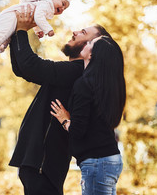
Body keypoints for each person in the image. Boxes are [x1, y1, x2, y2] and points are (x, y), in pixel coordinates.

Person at [8, 6, 112, 195]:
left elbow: (31, 65)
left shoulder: (77, 72)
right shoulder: (74, 72)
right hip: (40, 163)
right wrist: (15, 32)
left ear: (92, 49)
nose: (75, 32)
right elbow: (23, 69)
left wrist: (21, 30)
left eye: (83, 33)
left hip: (43, 164)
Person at [50, 35, 126, 195]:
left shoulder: (84, 84)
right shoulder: (108, 86)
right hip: (111, 158)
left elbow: (78, 131)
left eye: (91, 43)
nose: (86, 43)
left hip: (97, 162)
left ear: (92, 55)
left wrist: (65, 121)